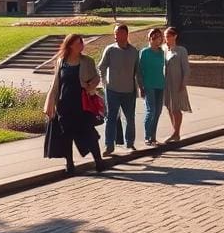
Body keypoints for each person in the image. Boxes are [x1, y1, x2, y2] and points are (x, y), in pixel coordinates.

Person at [43, 33, 105, 175]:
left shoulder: (87, 61)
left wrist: (91, 87)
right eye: (78, 43)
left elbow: (96, 78)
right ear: (70, 45)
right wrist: (50, 103)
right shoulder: (61, 61)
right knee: (67, 136)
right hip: (64, 105)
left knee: (89, 133)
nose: (81, 45)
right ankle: (70, 165)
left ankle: (99, 161)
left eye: (82, 43)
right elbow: (56, 84)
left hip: (83, 105)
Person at [97, 23, 142, 155]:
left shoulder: (134, 51)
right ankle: (109, 145)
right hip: (112, 91)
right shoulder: (110, 49)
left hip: (129, 92)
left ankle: (130, 143)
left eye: (119, 33)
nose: (116, 36)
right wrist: (104, 82)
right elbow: (101, 66)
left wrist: (140, 87)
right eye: (115, 33)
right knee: (111, 118)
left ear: (126, 34)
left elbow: (137, 71)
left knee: (130, 118)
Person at [163, 26, 192, 142]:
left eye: (168, 36)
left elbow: (186, 69)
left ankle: (176, 132)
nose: (166, 39)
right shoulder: (163, 49)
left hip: (177, 82)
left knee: (176, 108)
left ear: (175, 36)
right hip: (166, 83)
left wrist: (183, 83)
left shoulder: (181, 50)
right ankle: (174, 131)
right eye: (165, 36)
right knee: (169, 107)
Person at [139, 28, 166, 145]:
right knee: (151, 110)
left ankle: (153, 136)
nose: (157, 39)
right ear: (150, 38)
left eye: (159, 37)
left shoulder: (161, 52)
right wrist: (141, 87)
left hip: (160, 84)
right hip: (148, 85)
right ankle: (147, 136)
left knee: (158, 111)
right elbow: (139, 71)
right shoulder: (144, 52)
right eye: (154, 37)